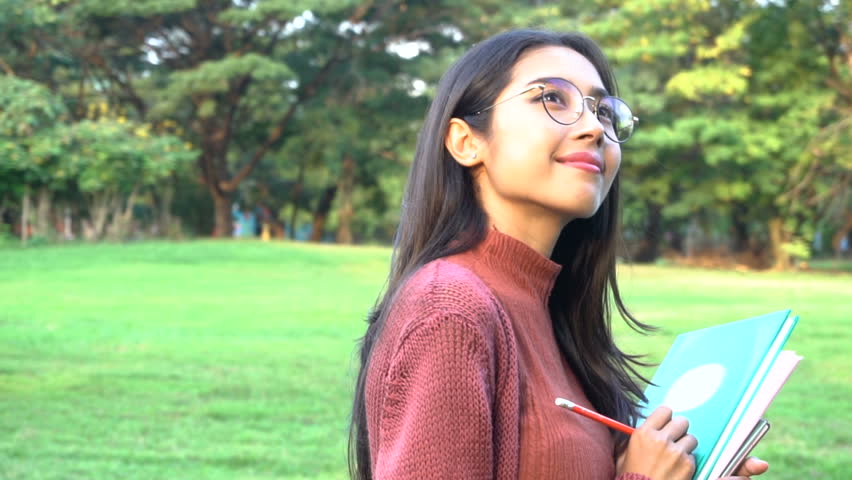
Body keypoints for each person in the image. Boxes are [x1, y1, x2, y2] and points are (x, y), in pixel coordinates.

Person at [348, 29, 771, 480]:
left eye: (604, 112)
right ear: (466, 142)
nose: (595, 128)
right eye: (551, 98)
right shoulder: (449, 309)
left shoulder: (551, 309)